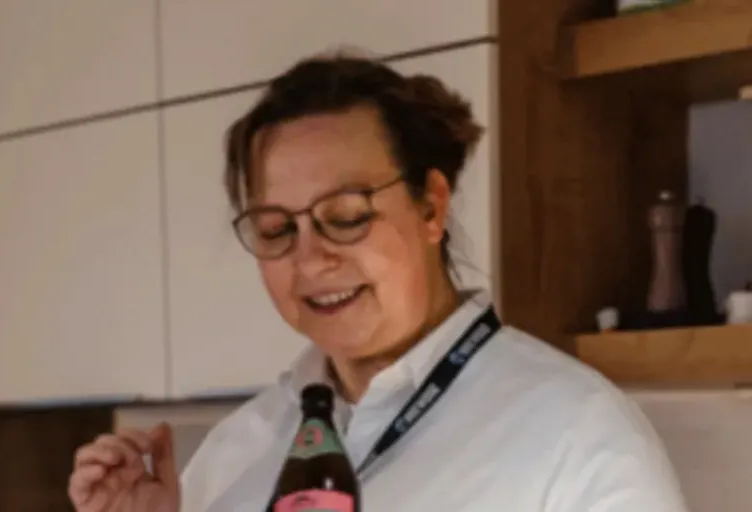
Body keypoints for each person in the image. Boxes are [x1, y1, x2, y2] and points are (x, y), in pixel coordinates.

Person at [68, 52, 688, 512]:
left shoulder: (578, 436)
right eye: (276, 229)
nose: (310, 260)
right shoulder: (237, 451)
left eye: (346, 217)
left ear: (431, 207)